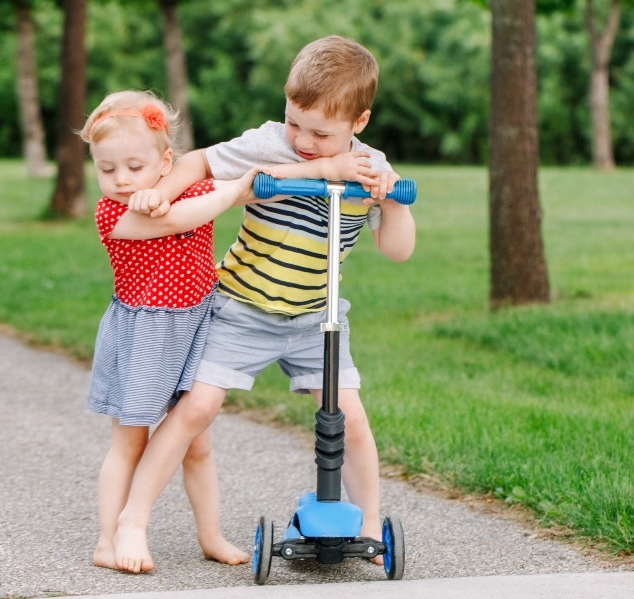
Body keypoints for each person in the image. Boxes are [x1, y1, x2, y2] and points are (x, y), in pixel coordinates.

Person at [112, 35, 415, 570]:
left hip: (316, 319)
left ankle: (369, 527)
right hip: (242, 309)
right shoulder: (269, 143)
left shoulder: (371, 167)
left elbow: (397, 251)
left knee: (351, 417)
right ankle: (132, 524)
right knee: (196, 410)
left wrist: (393, 205)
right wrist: (164, 189)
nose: (302, 139)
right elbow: (202, 162)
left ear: (359, 123)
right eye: (294, 122)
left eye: (321, 133)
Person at [80, 90, 259, 572]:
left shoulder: (193, 188)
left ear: (166, 161)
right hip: (143, 334)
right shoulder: (112, 214)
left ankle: (211, 535)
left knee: (196, 441)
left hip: (198, 326)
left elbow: (226, 184)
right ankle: (106, 540)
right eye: (106, 167)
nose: (119, 179)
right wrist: (223, 193)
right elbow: (184, 218)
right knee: (130, 442)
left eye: (134, 167)